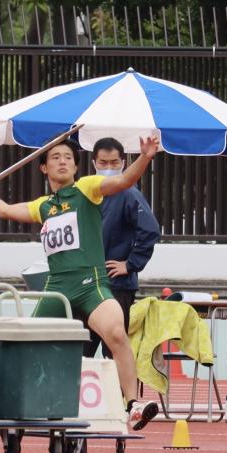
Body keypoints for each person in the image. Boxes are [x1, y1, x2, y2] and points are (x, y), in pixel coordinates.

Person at [0, 135, 161, 430]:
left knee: (117, 334)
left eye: (68, 158)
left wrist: (145, 157)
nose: (62, 161)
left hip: (90, 283)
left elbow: (122, 181)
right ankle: (7, 402)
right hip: (57, 289)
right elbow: (6, 211)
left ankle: (133, 405)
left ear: (76, 167)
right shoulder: (43, 206)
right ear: (44, 167)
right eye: (55, 157)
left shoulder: (87, 189)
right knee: (25, 343)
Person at [85, 137, 162, 359]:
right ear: (94, 164)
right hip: (88, 285)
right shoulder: (88, 192)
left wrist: (130, 264)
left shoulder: (129, 193)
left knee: (115, 351)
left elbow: (150, 230)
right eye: (103, 163)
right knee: (81, 352)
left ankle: (119, 394)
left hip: (117, 285)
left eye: (114, 163)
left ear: (123, 163)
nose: (108, 168)